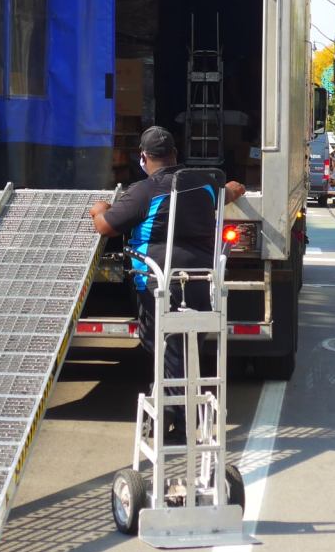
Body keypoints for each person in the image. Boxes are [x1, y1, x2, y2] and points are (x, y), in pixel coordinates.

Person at [89, 126, 245, 435]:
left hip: (159, 283)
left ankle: (185, 422)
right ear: (175, 154)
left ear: (143, 158)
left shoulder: (142, 191)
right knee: (185, 349)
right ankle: (171, 411)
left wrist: (99, 208)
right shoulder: (204, 184)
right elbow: (232, 190)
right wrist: (234, 187)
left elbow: (105, 227)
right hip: (202, 280)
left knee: (166, 347)